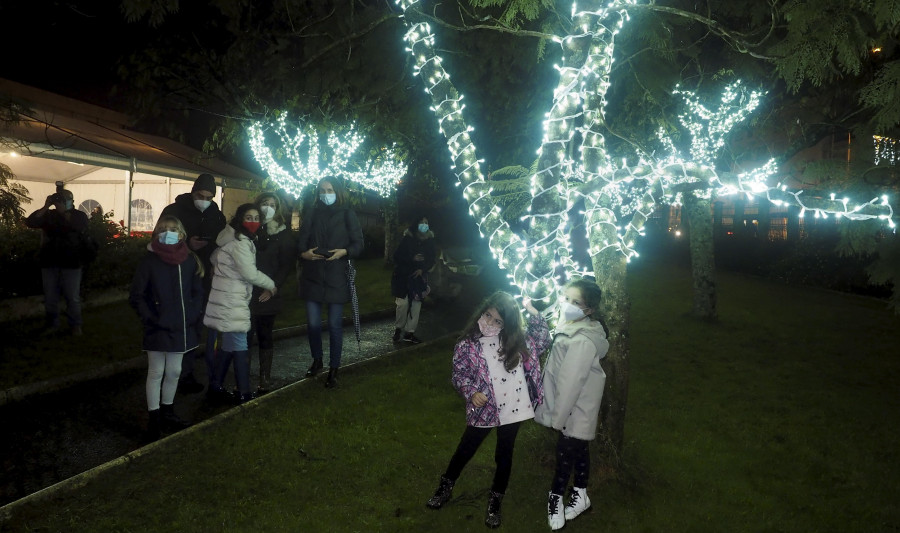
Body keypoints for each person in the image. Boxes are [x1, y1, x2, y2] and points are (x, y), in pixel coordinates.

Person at [425, 291, 550, 529]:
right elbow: (459, 374)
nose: (490, 323)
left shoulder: (517, 341)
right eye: (487, 315)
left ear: (506, 325)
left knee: (504, 455)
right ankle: (445, 486)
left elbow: (543, 339)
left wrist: (533, 312)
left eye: (497, 321)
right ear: (481, 312)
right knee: (465, 449)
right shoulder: (466, 344)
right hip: (484, 409)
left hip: (514, 408)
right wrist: (471, 392)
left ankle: (496, 500)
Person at [534, 279, 609, 531]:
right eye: (566, 298)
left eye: (575, 302)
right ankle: (581, 495)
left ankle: (555, 497)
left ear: (588, 310)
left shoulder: (581, 340)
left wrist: (558, 417)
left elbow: (570, 381)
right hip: (576, 407)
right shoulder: (573, 327)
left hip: (572, 408)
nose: (567, 304)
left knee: (565, 454)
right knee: (580, 450)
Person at [129, 215, 205, 441]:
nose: (168, 231)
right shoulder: (149, 261)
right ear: (156, 233)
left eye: (173, 228)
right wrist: (151, 318)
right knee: (156, 372)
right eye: (163, 228)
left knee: (174, 371)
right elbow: (137, 296)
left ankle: (168, 411)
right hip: (157, 327)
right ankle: (154, 418)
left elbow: (197, 292)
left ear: (181, 234)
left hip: (182, 326)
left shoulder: (190, 260)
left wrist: (192, 313)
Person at [159, 173, 227, 394]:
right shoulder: (174, 211)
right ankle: (167, 372)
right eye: (200, 195)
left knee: (195, 326)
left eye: (209, 196)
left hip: (204, 278)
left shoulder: (216, 215)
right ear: (193, 191)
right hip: (176, 275)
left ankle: (185, 373)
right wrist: (187, 244)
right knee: (176, 325)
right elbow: (159, 239)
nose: (204, 200)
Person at [203, 204, 276, 403]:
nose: (252, 222)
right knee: (240, 343)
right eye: (248, 217)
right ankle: (244, 393)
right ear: (239, 219)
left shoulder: (229, 237)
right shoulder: (240, 242)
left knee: (228, 344)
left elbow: (213, 257)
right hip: (232, 299)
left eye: (256, 218)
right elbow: (249, 273)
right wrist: (271, 285)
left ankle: (215, 386)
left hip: (226, 296)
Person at [296, 177, 364, 389]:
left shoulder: (347, 214)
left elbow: (358, 244)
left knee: (335, 326)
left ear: (338, 191)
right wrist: (304, 254)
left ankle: (334, 368)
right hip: (313, 277)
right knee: (313, 324)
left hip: (336, 277)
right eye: (322, 190)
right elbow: (301, 240)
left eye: (330, 190)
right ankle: (317, 360)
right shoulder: (312, 213)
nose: (325, 194)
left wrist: (345, 252)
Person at [25, 185, 97, 336]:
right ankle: (52, 323)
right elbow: (31, 222)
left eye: (62, 200)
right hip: (49, 260)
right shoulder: (49, 215)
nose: (59, 203)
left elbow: (79, 226)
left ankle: (75, 325)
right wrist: (46, 206)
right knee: (50, 296)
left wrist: (64, 212)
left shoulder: (78, 215)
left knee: (72, 296)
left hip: (72, 261)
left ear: (71, 201)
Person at [249, 192, 296, 394]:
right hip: (246, 291)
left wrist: (273, 288)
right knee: (244, 336)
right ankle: (241, 378)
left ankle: (264, 378)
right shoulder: (249, 228)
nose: (268, 207)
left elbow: (286, 265)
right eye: (264, 203)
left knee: (265, 334)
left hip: (268, 292)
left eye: (272, 204)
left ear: (278, 209)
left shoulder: (283, 234)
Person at [391, 215, 436, 344]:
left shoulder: (430, 241)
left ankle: (410, 333)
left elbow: (431, 259)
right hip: (403, 276)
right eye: (422, 222)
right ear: (416, 224)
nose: (424, 225)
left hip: (419, 279)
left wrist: (423, 269)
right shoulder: (408, 239)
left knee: (416, 305)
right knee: (402, 304)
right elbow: (397, 256)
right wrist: (412, 259)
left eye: (426, 222)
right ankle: (398, 329)